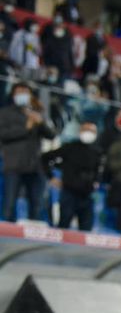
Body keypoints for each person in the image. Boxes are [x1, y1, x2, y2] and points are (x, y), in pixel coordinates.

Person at [0, 82, 54, 221]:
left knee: (37, 204)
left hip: (35, 166)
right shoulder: (5, 113)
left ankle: (33, 237)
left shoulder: (37, 112)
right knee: (9, 204)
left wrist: (40, 122)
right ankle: (5, 237)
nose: (22, 95)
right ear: (13, 95)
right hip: (14, 165)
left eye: (25, 91)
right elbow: (3, 134)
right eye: (19, 92)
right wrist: (27, 128)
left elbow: (51, 134)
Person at [43, 122, 103, 230]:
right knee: (63, 228)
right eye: (86, 130)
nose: (88, 133)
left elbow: (99, 171)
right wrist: (51, 177)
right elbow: (45, 158)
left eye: (92, 131)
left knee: (86, 232)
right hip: (69, 193)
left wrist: (97, 181)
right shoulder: (70, 147)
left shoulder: (98, 152)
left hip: (87, 195)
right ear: (80, 131)